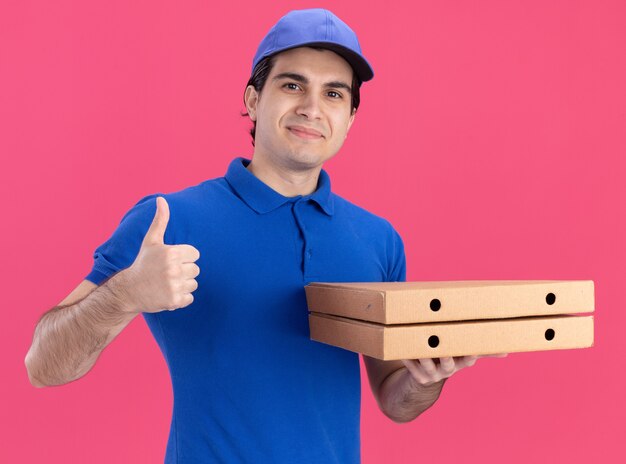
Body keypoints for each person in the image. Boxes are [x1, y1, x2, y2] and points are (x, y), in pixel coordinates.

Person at [25, 8, 505, 463]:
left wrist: (428, 377)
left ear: (351, 118)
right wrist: (125, 293)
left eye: (334, 93)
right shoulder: (169, 219)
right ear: (253, 99)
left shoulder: (379, 240)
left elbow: (394, 399)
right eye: (293, 84)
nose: (312, 108)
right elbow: (43, 365)